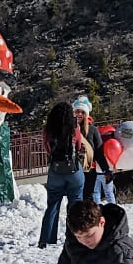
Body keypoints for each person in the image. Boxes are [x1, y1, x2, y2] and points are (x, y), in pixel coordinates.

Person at [38, 101, 89, 248]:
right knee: (75, 205)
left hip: (56, 170)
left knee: (53, 204)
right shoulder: (74, 127)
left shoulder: (48, 129)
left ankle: (46, 239)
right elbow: (78, 145)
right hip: (73, 169)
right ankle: (74, 238)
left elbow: (48, 148)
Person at [73, 94, 116, 206]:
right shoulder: (68, 130)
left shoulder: (93, 130)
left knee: (87, 197)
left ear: (86, 114)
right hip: (73, 170)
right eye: (77, 111)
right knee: (75, 197)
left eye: (82, 112)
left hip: (89, 171)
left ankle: (87, 221)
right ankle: (73, 221)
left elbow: (99, 152)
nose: (79, 114)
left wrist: (106, 170)